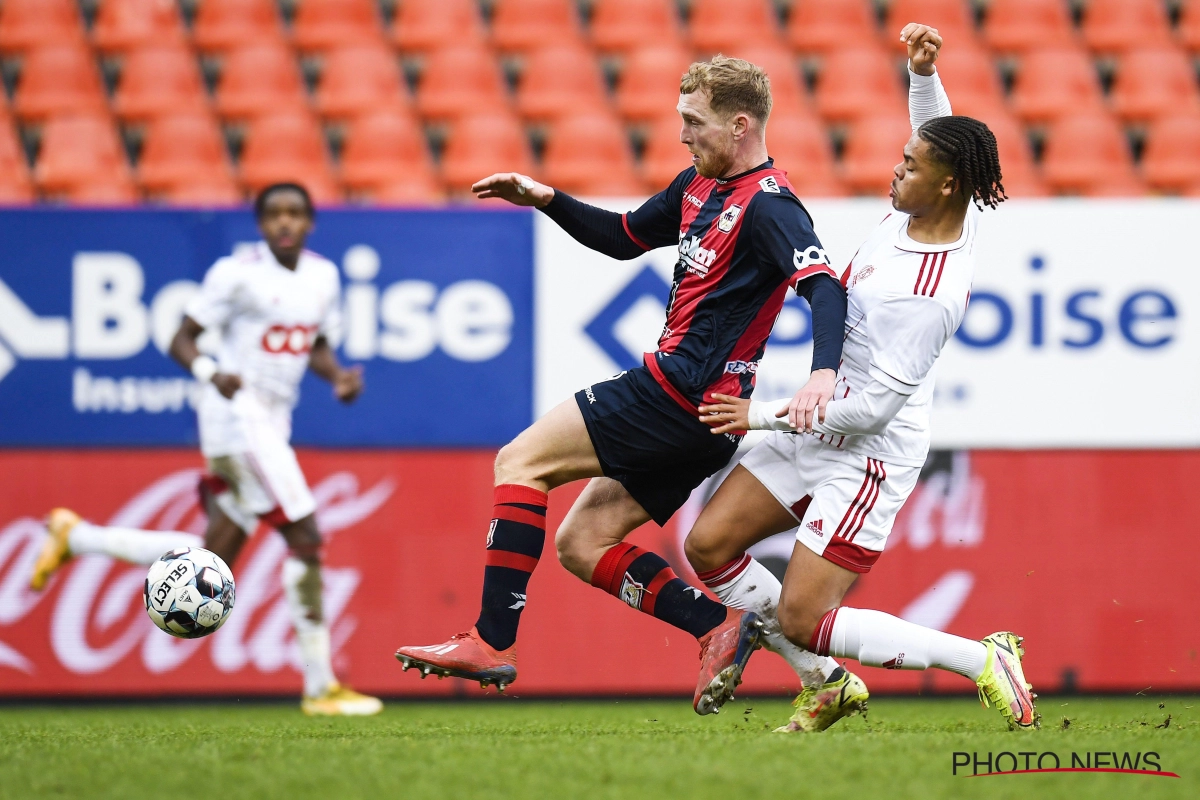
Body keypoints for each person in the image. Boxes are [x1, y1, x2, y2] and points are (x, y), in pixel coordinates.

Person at [394, 55, 848, 715]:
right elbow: (625, 237)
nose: (684, 135)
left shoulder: (771, 207)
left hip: (676, 396)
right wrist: (545, 198)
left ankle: (491, 641)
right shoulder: (697, 184)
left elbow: (824, 287)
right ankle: (715, 626)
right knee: (582, 545)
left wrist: (823, 374)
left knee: (520, 461)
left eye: (695, 123)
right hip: (703, 423)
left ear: (740, 125)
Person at [684, 24, 1039, 733]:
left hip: (867, 451)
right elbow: (938, 134)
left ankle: (980, 658)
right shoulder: (930, 206)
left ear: (945, 185)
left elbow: (873, 410)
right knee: (708, 547)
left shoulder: (930, 294)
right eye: (901, 160)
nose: (894, 172)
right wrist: (922, 74)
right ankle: (827, 686)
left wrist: (760, 416)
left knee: (805, 616)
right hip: (817, 416)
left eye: (908, 167)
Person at [30, 183, 383, 717]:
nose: (285, 223)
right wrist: (208, 370)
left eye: (294, 214)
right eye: (274, 214)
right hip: (237, 418)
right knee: (305, 535)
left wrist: (338, 378)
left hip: (271, 420)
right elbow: (181, 337)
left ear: (310, 222)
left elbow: (314, 343)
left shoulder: (323, 276)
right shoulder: (235, 272)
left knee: (208, 560)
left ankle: (76, 536)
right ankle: (321, 687)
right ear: (260, 224)